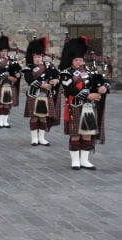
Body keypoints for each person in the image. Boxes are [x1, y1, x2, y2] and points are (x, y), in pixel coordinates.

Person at [59, 36, 110, 170]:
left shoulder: (89, 72)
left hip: (89, 107)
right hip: (74, 106)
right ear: (71, 60)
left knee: (87, 133)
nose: (79, 62)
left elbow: (102, 81)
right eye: (76, 60)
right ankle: (75, 161)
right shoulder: (65, 74)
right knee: (75, 134)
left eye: (81, 59)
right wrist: (89, 95)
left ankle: (85, 160)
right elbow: (70, 89)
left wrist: (103, 87)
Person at [22, 37, 61, 146]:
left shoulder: (49, 66)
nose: (37, 59)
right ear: (32, 57)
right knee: (34, 117)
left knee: (43, 116)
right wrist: (42, 84)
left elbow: (58, 75)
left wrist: (56, 80)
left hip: (46, 95)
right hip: (33, 94)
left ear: (42, 57)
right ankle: (34, 138)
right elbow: (29, 80)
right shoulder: (28, 68)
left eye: (39, 56)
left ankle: (42, 138)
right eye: (35, 57)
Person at [0, 35, 22, 128]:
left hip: (8, 84)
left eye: (5, 51)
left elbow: (18, 68)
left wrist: (18, 73)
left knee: (7, 103)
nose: (4, 53)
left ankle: (5, 121)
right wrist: (9, 77)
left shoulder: (11, 59)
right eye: (2, 51)